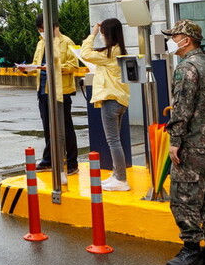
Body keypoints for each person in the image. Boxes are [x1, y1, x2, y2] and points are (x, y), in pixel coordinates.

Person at [162, 19, 205, 265]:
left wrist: (175, 142)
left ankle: (191, 250)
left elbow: (181, 108)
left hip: (194, 145)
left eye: (174, 36)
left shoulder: (186, 67)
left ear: (186, 39)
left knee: (184, 198)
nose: (171, 40)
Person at [79, 18, 131, 191]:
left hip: (111, 99)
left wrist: (91, 34)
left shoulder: (109, 53)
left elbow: (84, 53)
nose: (100, 36)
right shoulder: (120, 50)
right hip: (120, 99)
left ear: (107, 34)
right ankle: (117, 175)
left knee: (113, 141)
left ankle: (121, 180)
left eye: (102, 33)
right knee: (115, 140)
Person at [26, 14, 80, 173]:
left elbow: (73, 66)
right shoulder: (40, 44)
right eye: (40, 29)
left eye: (43, 29)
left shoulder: (66, 42)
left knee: (65, 128)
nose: (41, 32)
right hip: (42, 90)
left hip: (60, 91)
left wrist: (51, 67)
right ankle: (48, 160)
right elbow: (37, 64)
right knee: (48, 128)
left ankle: (72, 163)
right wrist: (26, 69)